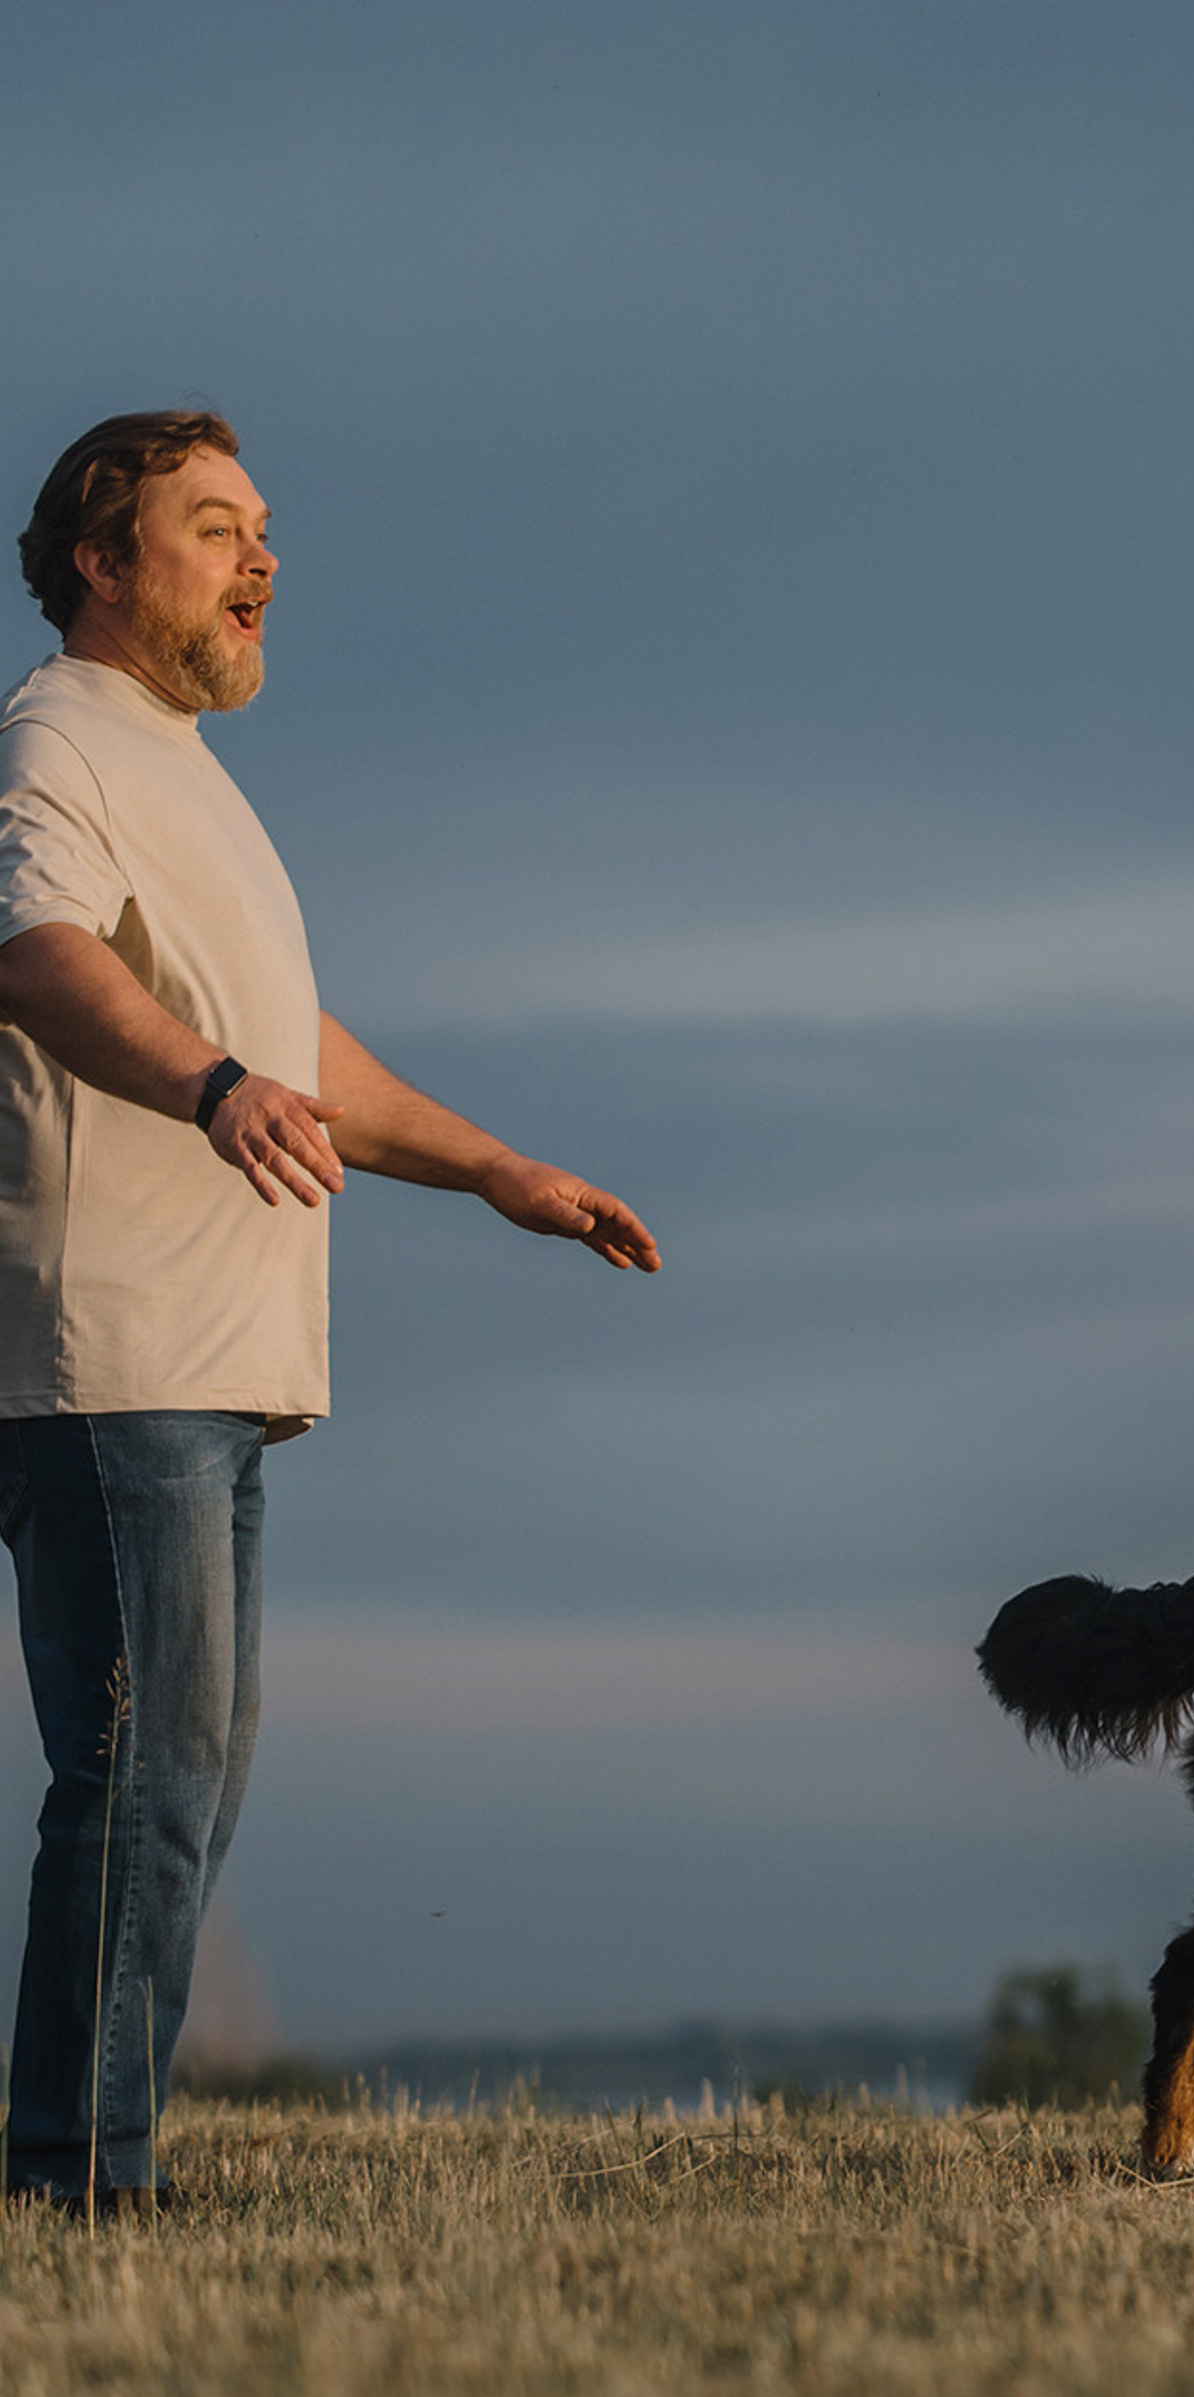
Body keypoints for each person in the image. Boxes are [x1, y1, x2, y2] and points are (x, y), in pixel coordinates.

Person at [0, 412, 660, 2214]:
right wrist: (211, 1088)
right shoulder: (58, 740)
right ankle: (77, 2180)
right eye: (213, 529)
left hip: (212, 1373)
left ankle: (82, 2160)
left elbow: (297, 1052)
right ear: (99, 564)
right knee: (140, 1776)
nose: (260, 560)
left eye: (263, 529)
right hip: (110, 1365)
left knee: (182, 1779)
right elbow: (37, 957)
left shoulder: (185, 770)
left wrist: (500, 1172)